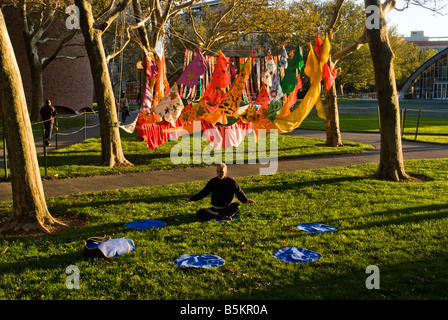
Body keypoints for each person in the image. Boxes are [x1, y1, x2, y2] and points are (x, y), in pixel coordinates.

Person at [182, 163, 256, 221]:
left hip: (227, 207)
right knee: (199, 213)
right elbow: (203, 193)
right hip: (216, 208)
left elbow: (239, 193)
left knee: (236, 206)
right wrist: (191, 199)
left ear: (226, 172)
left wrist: (246, 200)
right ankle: (221, 215)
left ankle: (215, 214)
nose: (219, 173)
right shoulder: (212, 182)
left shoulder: (232, 182)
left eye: (221, 172)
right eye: (218, 171)